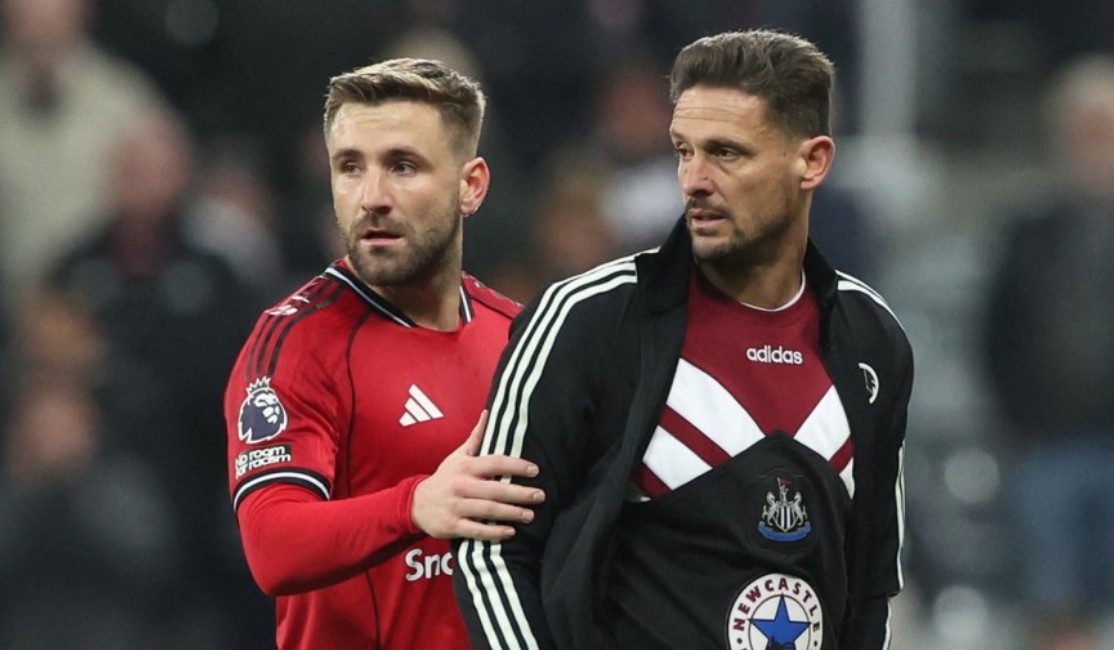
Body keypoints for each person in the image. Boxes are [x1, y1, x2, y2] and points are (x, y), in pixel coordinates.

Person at [454, 29, 913, 650]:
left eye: (726, 153)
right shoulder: (588, 318)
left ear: (812, 162)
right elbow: (489, 549)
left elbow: (871, 586)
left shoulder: (871, 337)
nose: (694, 180)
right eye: (683, 151)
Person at [223, 58, 544, 650]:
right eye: (350, 167)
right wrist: (415, 505)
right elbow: (270, 546)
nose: (372, 197)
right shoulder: (296, 345)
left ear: (471, 185)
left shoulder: (522, 336)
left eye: (402, 166)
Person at [984, 55, 1114, 647]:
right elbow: (998, 331)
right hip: (1045, 442)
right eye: (1086, 132)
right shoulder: (1029, 230)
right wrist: (1016, 418)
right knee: (1049, 592)